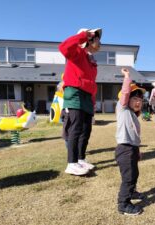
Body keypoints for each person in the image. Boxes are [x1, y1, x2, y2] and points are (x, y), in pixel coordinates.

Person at [59, 28, 102, 176]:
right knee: (75, 128)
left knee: (86, 130)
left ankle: (81, 159)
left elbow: (91, 84)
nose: (100, 42)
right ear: (89, 39)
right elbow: (63, 47)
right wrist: (83, 35)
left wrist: (93, 102)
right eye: (97, 38)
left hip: (87, 96)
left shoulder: (91, 60)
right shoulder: (76, 52)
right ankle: (71, 163)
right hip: (75, 92)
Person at [115, 68, 146, 215]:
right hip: (124, 150)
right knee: (128, 177)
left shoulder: (133, 116)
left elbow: (135, 137)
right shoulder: (123, 109)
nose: (138, 102)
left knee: (134, 174)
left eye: (140, 100)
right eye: (135, 99)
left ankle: (132, 192)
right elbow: (126, 92)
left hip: (132, 149)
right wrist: (127, 77)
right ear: (127, 100)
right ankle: (123, 204)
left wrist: (138, 151)